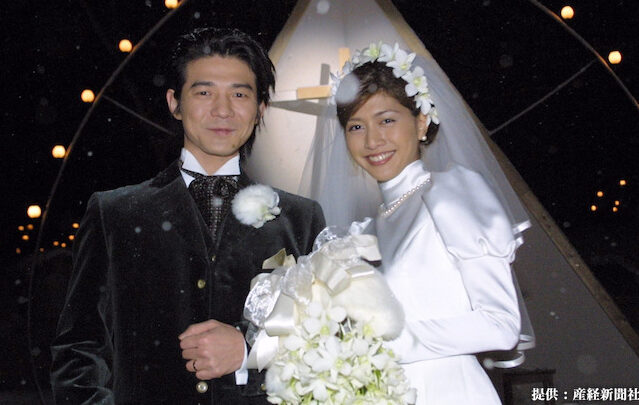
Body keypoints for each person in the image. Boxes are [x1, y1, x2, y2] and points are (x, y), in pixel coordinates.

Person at [50, 27, 325, 404]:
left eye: (239, 94)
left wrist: (247, 351)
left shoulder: (300, 220)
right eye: (204, 92)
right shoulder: (115, 214)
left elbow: (323, 346)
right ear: (174, 102)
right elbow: (79, 349)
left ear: (261, 108)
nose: (223, 110)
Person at [324, 42, 526, 404]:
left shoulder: (449, 195)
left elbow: (501, 325)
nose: (372, 140)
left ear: (421, 121)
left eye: (387, 120)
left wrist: (379, 345)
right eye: (356, 126)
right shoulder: (365, 231)